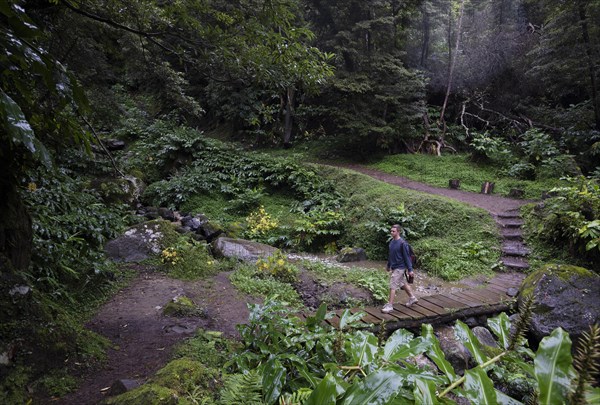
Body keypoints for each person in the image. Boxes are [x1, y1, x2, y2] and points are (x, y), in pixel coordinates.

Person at [382, 224, 418, 313]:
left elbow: (406, 257)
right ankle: (412, 298)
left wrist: (410, 270)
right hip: (394, 267)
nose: (391, 232)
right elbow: (391, 255)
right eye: (391, 231)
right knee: (402, 283)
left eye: (393, 231)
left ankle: (390, 306)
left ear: (398, 232)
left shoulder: (403, 243)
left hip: (400, 267)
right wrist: (388, 265)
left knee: (392, 285)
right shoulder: (391, 242)